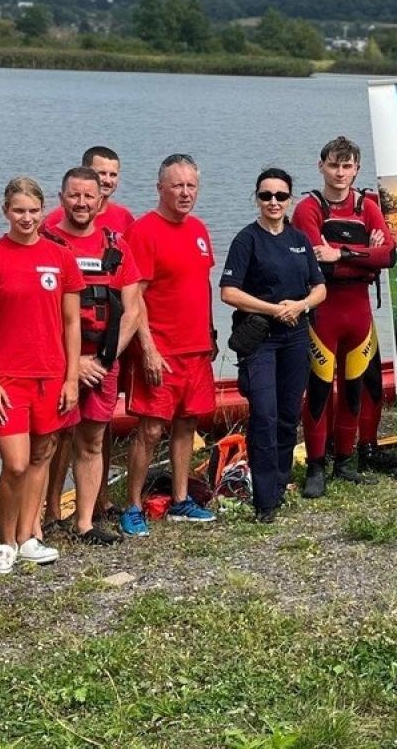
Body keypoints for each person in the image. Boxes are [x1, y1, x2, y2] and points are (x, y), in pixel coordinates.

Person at [0, 177, 84, 574]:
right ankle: (4, 540)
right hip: (8, 379)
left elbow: (71, 323)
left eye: (33, 211)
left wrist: (70, 378)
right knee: (14, 463)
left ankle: (27, 537)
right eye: (19, 211)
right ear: (6, 212)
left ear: (43, 210)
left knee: (41, 455)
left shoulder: (60, 257)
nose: (27, 218)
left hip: (50, 376)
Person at [39, 167, 142, 545]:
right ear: (61, 197)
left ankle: (84, 522)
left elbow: (132, 309)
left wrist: (104, 358)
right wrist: (71, 363)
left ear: (100, 201)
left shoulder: (115, 245)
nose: (81, 203)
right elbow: (38, 312)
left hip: (102, 360)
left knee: (92, 441)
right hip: (57, 362)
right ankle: (38, 523)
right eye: (74, 195)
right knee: (46, 443)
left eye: (88, 196)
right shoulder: (45, 241)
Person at [219, 168, 327, 523]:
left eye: (281, 196)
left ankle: (279, 484)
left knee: (287, 414)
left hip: (296, 333)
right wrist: (275, 309)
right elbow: (229, 292)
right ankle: (264, 500)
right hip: (261, 336)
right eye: (267, 196)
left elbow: (319, 287)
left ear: (290, 199)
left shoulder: (298, 239)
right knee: (263, 414)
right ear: (257, 199)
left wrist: (299, 306)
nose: (274, 202)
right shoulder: (246, 240)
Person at [120, 154, 219, 536]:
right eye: (177, 185)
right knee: (150, 429)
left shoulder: (199, 229)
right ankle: (132, 504)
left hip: (195, 349)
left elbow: (202, 285)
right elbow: (135, 298)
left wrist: (209, 334)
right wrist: (147, 349)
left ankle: (180, 499)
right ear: (160, 187)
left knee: (187, 424)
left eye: (191, 185)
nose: (185, 192)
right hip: (161, 350)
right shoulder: (144, 231)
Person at [294, 136, 395, 496]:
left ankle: (345, 462)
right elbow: (313, 261)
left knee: (354, 388)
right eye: (334, 165)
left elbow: (389, 256)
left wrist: (340, 255)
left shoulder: (367, 205)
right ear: (321, 166)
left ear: (357, 169)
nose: (340, 172)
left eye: (347, 166)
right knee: (319, 390)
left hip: (359, 315)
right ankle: (316, 467)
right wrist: (364, 252)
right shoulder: (308, 208)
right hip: (325, 312)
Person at [44, 146, 133, 235]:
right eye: (102, 173)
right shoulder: (55, 220)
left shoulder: (124, 217)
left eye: (113, 175)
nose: (108, 181)